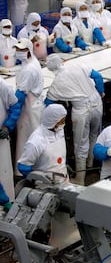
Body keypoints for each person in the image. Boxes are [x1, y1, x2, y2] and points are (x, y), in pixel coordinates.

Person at [45, 54, 104, 186]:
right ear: (62, 61)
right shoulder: (77, 66)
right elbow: (98, 76)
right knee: (94, 135)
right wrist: (101, 92)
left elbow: (48, 103)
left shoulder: (56, 84)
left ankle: (80, 178)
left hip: (82, 111)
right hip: (97, 103)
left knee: (80, 144)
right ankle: (90, 163)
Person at [13, 38, 44, 175]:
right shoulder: (31, 62)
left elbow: (20, 96)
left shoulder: (29, 69)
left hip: (29, 109)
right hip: (33, 105)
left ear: (29, 50)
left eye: (22, 50)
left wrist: (10, 116)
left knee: (26, 141)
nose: (18, 52)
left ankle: (24, 173)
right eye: (17, 49)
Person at [17, 104, 69, 182]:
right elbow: (23, 166)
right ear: (53, 121)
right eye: (61, 121)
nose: (63, 124)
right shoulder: (36, 141)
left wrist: (63, 164)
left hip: (64, 179)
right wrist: (38, 179)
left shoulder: (59, 130)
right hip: (45, 186)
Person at [0, 76, 21, 201]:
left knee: (3, 171)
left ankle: (7, 200)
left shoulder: (3, 86)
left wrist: (8, 126)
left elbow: (15, 107)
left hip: (1, 140)